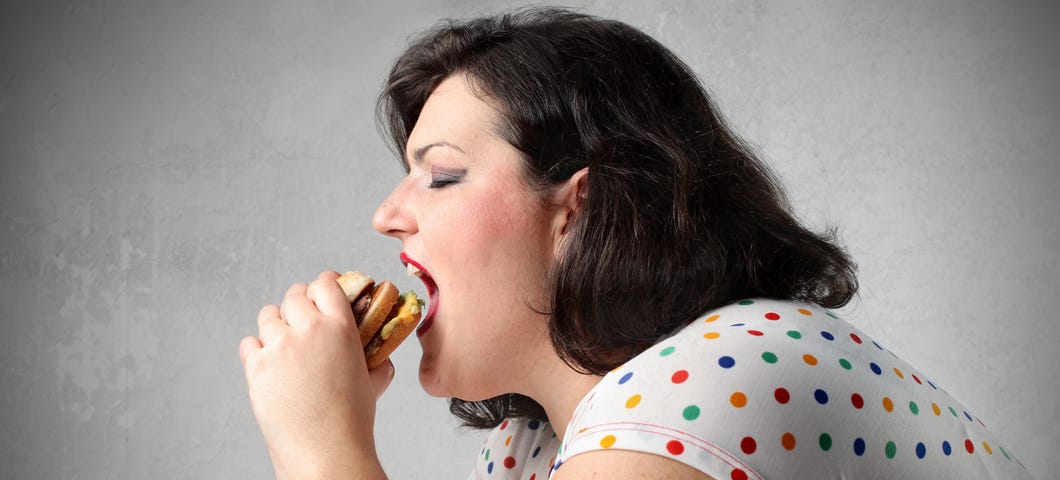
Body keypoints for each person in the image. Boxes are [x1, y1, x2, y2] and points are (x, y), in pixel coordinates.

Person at [239, 8, 1034, 479]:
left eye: (441, 176)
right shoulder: (539, 441)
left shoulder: (725, 374)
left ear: (577, 209)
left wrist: (322, 449)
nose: (387, 214)